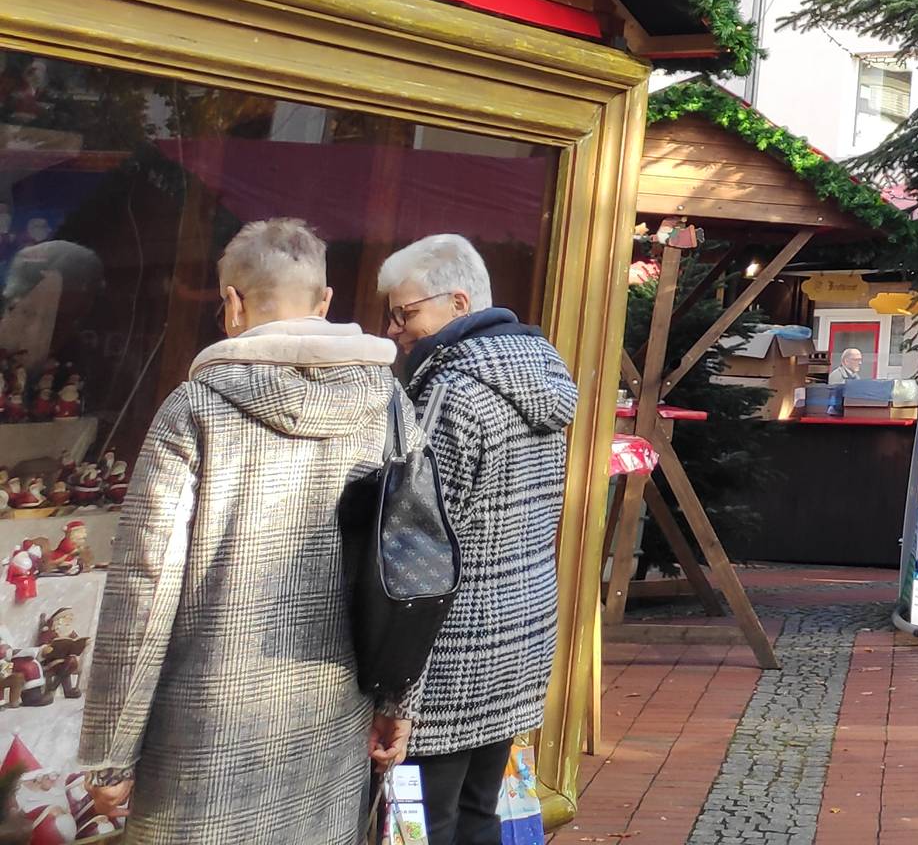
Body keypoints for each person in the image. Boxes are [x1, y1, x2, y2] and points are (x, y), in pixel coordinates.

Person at [80, 217, 403, 844]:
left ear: (230, 303)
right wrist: (397, 701)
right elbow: (410, 563)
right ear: (325, 303)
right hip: (332, 715)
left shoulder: (193, 409)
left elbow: (145, 587)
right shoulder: (390, 405)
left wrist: (112, 752)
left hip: (202, 729)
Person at [378, 234, 581, 845]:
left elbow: (415, 552)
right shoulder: (541, 382)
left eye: (405, 313)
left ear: (457, 302)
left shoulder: (450, 392)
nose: (393, 329)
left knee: (425, 823)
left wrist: (396, 694)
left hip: (451, 647)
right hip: (518, 635)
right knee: (477, 814)